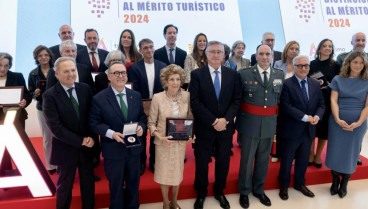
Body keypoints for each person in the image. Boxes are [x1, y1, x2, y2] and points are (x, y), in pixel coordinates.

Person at [190, 41, 241, 209]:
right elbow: (195, 102)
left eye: (219, 52)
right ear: (206, 54)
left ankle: (219, 191)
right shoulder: (197, 74)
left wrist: (224, 120)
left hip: (225, 128)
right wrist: (213, 121)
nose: (216, 55)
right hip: (205, 127)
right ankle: (201, 193)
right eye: (212, 51)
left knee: (223, 161)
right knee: (202, 162)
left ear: (224, 55)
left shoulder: (232, 74)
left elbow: (236, 101)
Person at [89, 62, 146, 209]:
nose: (121, 76)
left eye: (123, 73)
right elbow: (94, 123)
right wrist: (112, 133)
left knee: (134, 182)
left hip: (134, 150)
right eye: (117, 73)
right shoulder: (99, 98)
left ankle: (133, 206)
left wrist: (141, 127)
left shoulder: (136, 95)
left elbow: (142, 118)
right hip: (113, 151)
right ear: (109, 76)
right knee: (116, 185)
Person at [42, 57, 95, 209]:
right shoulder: (49, 96)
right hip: (65, 148)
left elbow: (92, 116)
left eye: (73, 70)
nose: (71, 74)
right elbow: (55, 128)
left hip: (87, 148)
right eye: (66, 71)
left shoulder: (85, 89)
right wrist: (81, 140)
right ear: (57, 74)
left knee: (88, 185)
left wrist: (90, 138)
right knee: (64, 187)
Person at [237, 45, 284, 208]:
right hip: (249, 123)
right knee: (247, 160)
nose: (264, 57)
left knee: (264, 160)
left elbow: (278, 101)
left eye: (268, 54)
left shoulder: (279, 74)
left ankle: (258, 189)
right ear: (256, 56)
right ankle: (244, 191)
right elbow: (237, 99)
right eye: (261, 54)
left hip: (269, 124)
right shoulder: (244, 74)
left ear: (272, 56)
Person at [278, 55, 325, 201]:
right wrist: (305, 117)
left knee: (303, 160)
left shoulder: (315, 84)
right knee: (287, 160)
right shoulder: (286, 84)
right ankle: (284, 186)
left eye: (306, 65)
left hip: (309, 130)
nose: (303, 68)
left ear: (309, 67)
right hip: (291, 130)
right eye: (299, 66)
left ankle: (299, 183)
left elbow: (321, 104)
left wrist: (317, 116)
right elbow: (286, 106)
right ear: (294, 67)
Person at [148, 64, 194, 209]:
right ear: (165, 82)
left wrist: (191, 134)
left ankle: (174, 201)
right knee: (164, 174)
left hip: (179, 143)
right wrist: (158, 136)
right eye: (172, 79)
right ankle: (165, 203)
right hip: (163, 142)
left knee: (176, 173)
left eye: (178, 79)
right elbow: (151, 123)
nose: (175, 83)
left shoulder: (187, 95)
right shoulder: (157, 98)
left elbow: (189, 117)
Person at [325, 51, 368, 198]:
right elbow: (333, 101)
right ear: (348, 63)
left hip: (358, 123)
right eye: (355, 62)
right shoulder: (338, 79)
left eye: (361, 62)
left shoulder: (367, 81)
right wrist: (337, 118)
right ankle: (335, 180)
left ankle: (345, 183)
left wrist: (358, 123)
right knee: (336, 150)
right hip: (337, 122)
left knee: (351, 152)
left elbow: (367, 106)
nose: (358, 65)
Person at [128, 38, 166, 174]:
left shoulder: (162, 66)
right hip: (140, 106)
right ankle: (142, 161)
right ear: (140, 51)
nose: (149, 50)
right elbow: (134, 89)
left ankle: (155, 161)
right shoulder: (134, 67)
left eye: (151, 47)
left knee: (157, 134)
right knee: (141, 134)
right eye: (145, 48)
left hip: (159, 105)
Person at [308, 39, 340, 168]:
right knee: (311, 128)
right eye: (325, 46)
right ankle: (310, 154)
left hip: (328, 99)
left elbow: (339, 82)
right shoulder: (311, 64)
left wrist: (329, 86)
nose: (328, 48)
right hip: (313, 99)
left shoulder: (336, 65)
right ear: (319, 48)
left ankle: (318, 156)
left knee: (323, 130)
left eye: (330, 46)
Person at [0, 52, 32, 175]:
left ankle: (23, 173)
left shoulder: (17, 76)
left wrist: (25, 101)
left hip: (16, 117)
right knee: (2, 147)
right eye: (0, 65)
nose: (3, 69)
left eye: (6, 66)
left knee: (19, 145)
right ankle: (4, 172)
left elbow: (27, 94)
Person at [28, 45, 57, 174]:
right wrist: (36, 93)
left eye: (46, 55)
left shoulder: (57, 70)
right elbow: (29, 92)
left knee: (59, 136)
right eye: (40, 56)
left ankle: (61, 163)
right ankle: (50, 165)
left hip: (58, 108)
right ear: (36, 58)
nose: (43, 57)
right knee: (47, 138)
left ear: (50, 56)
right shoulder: (33, 73)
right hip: (42, 108)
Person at [272, 41, 300, 163]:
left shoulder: (300, 65)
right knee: (278, 129)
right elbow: (274, 81)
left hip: (294, 102)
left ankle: (291, 155)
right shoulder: (278, 63)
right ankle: (276, 153)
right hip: (279, 100)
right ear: (286, 50)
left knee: (291, 130)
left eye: (296, 49)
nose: (294, 51)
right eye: (291, 48)